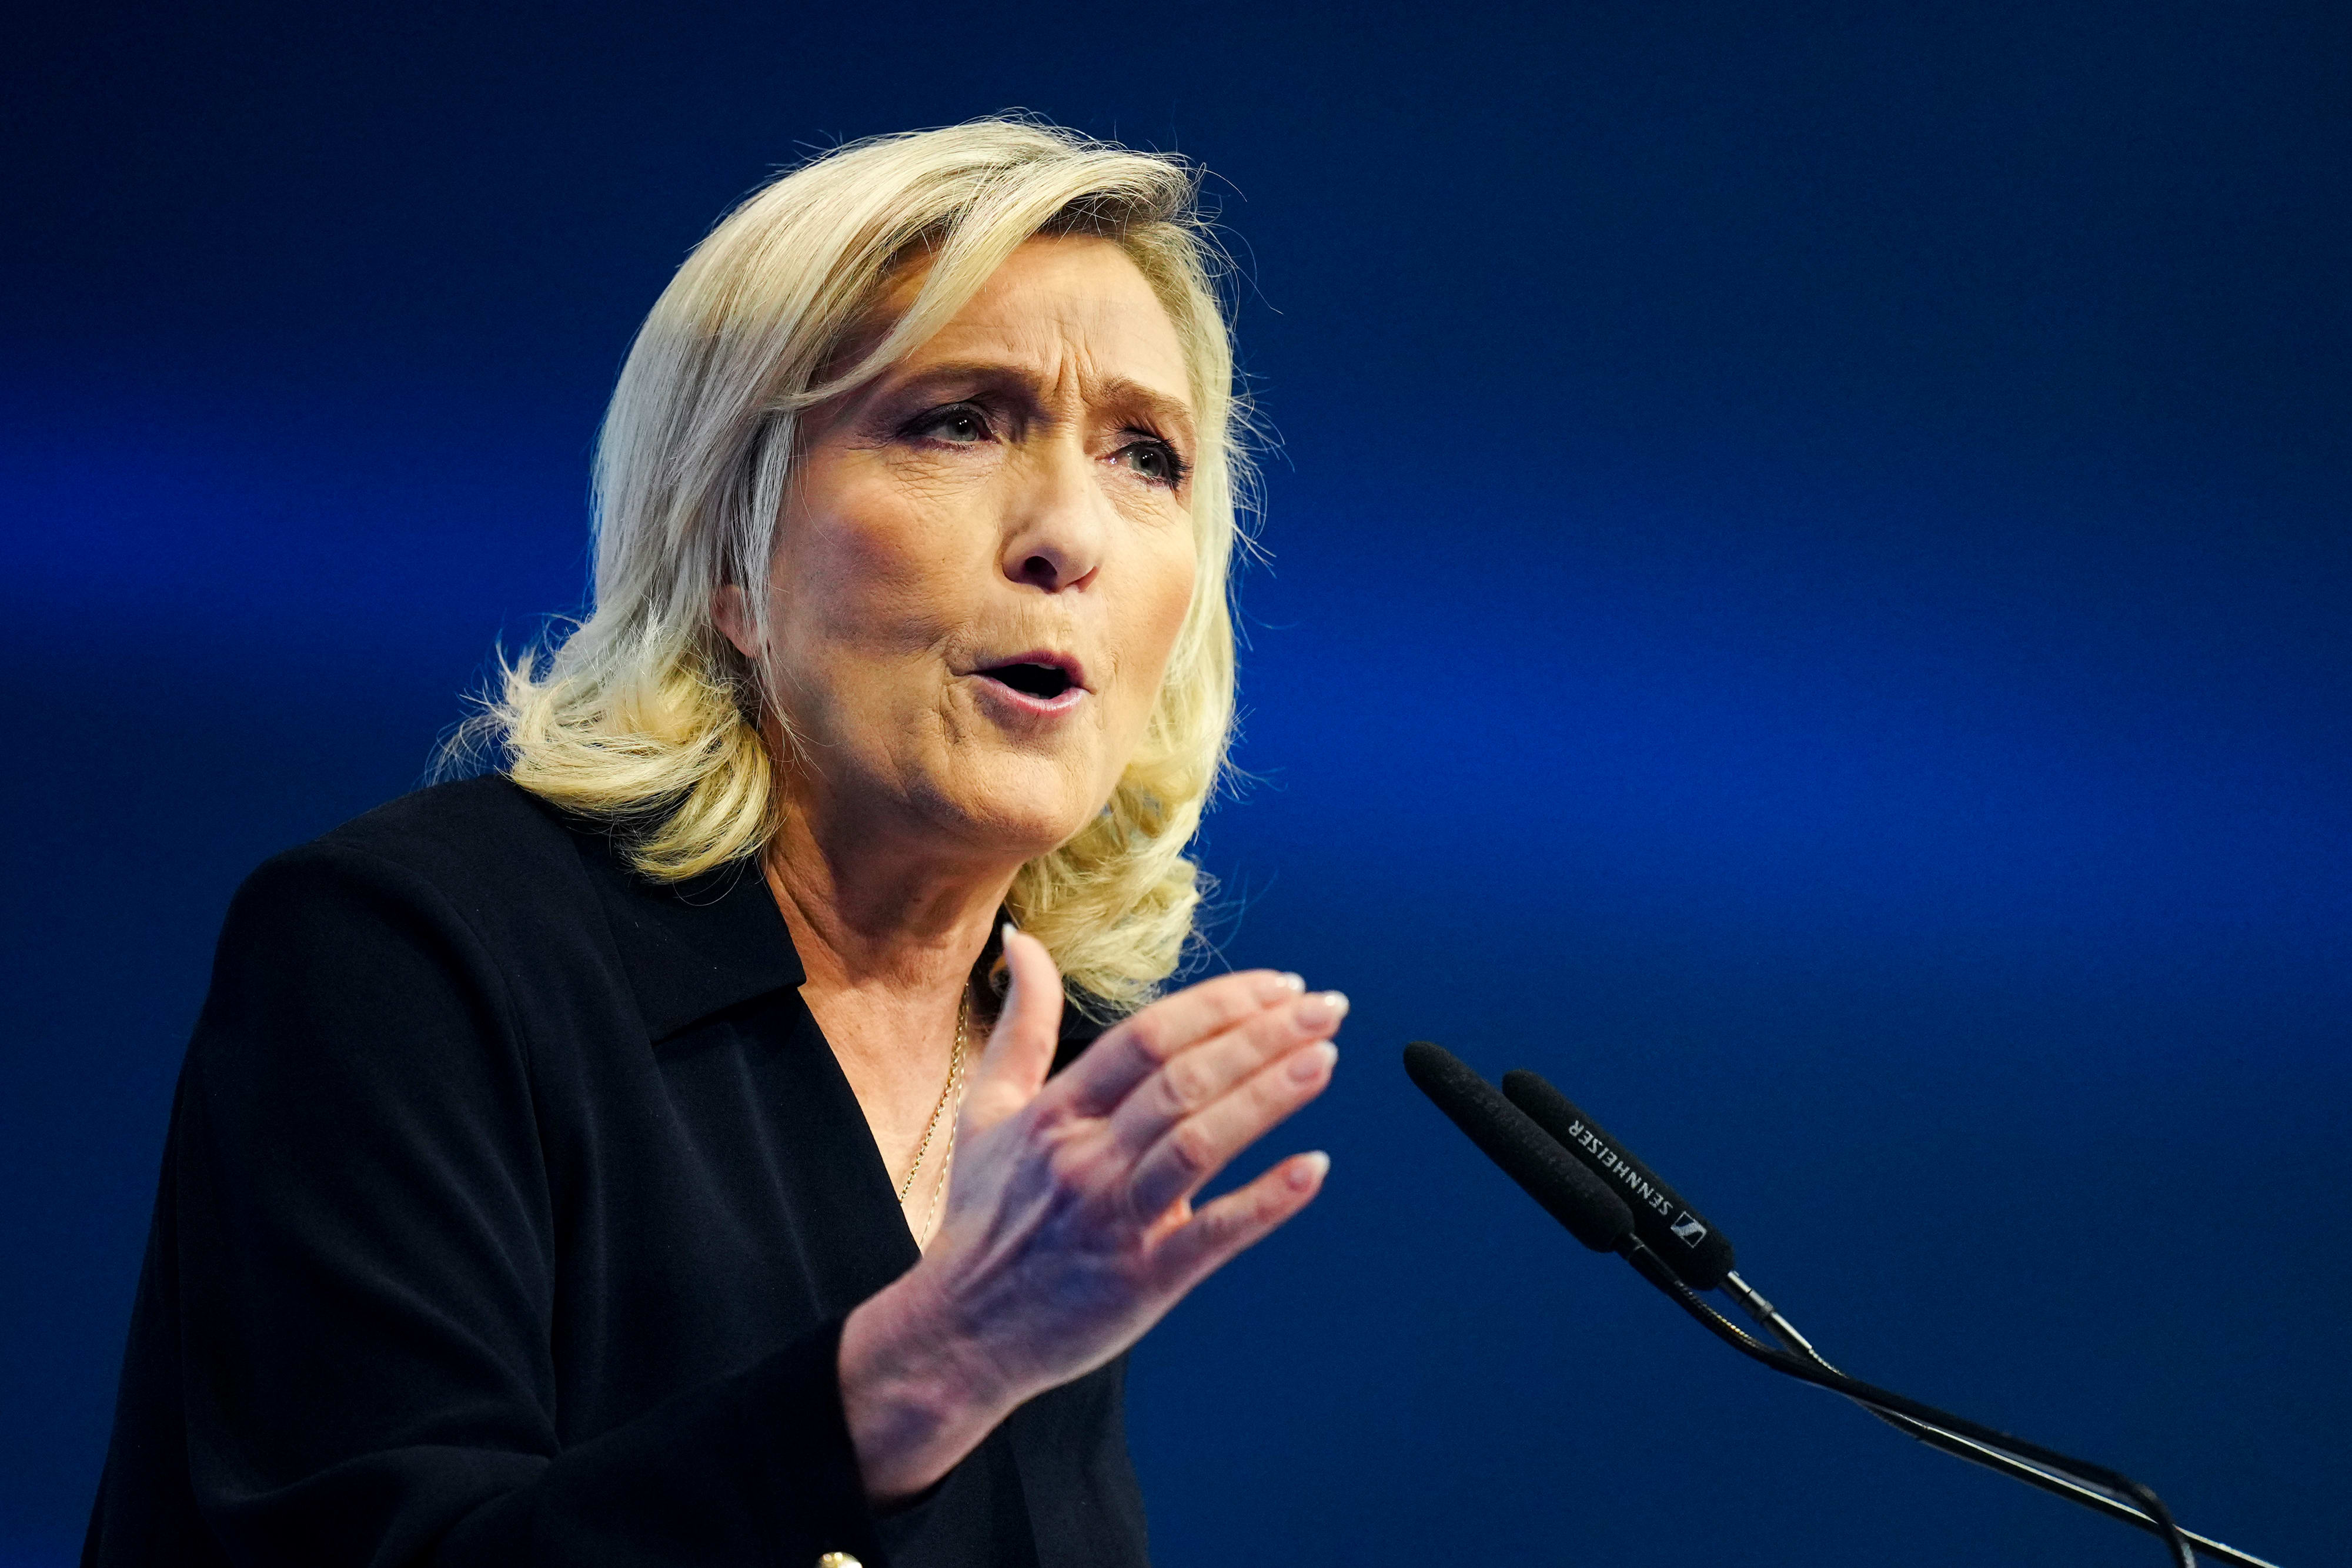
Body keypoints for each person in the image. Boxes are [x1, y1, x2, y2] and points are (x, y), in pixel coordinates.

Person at [83, 118, 1344, 1568]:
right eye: (957, 420)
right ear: (726, 552)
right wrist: (924, 1366)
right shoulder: (413, 952)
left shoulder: (1052, 1083)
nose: (1070, 531)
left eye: (1144, 455)